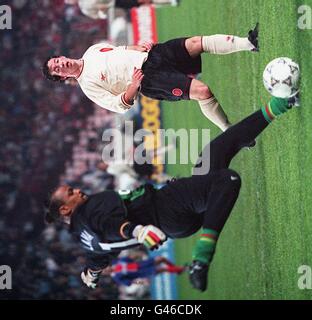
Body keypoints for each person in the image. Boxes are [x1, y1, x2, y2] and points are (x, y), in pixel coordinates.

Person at [44, 94, 297, 292]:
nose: (76, 190)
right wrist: (138, 231)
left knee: (217, 150)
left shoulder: (84, 235)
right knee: (227, 180)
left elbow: (101, 252)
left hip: (170, 215)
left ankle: (282, 102)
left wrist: (91, 273)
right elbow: (113, 229)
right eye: (70, 192)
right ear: (65, 208)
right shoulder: (89, 213)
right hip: (167, 207)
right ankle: (202, 257)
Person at [42, 25, 259, 132]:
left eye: (57, 62)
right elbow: (119, 105)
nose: (61, 65)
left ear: (61, 56)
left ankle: (250, 43)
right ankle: (231, 132)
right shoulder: (88, 86)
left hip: (153, 55)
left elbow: (120, 49)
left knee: (195, 43)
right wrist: (133, 86)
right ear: (62, 78)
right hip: (149, 80)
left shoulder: (92, 50)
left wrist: (139, 46)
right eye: (58, 70)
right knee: (203, 92)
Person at [99, 255, 186, 287]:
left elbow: (129, 258)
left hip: (142, 264)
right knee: (161, 269)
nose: (106, 270)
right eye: (105, 272)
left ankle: (177, 270)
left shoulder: (116, 263)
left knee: (161, 259)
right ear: (106, 274)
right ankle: (180, 269)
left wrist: (139, 254)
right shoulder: (117, 277)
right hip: (142, 272)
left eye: (105, 269)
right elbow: (130, 282)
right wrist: (142, 282)